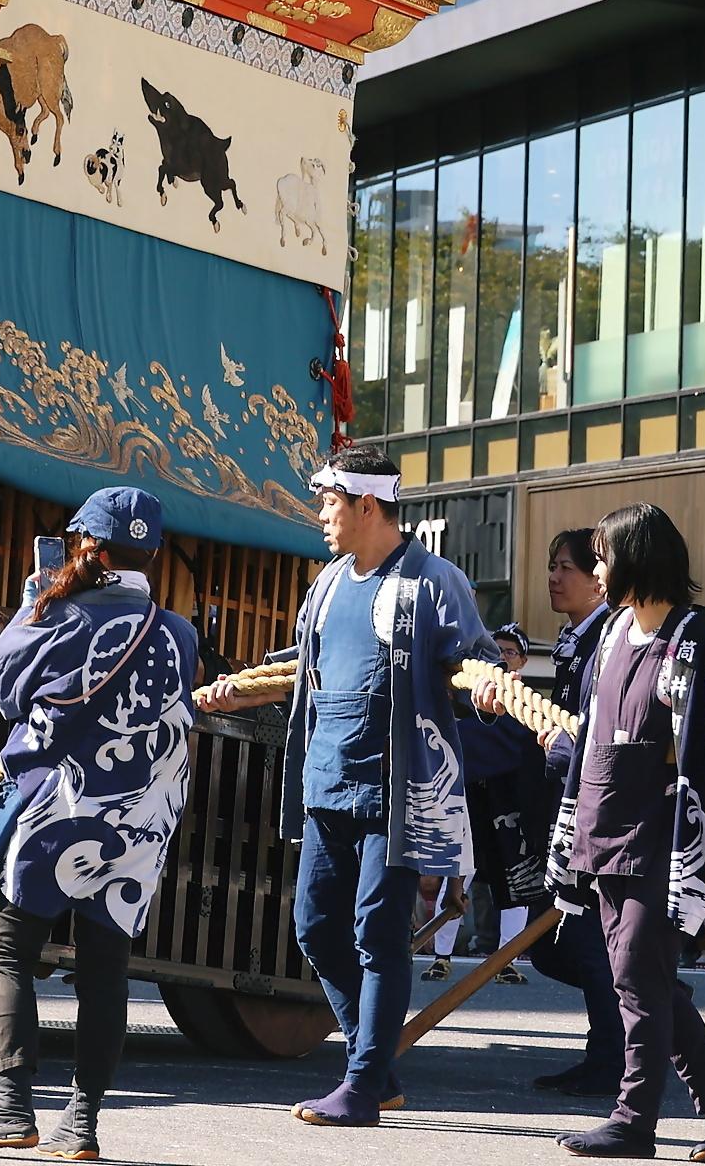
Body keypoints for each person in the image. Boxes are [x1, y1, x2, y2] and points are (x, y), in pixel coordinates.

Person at [196, 445, 494, 1128]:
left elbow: (477, 657)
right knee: (315, 929)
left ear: (366, 504)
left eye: (329, 502)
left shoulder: (432, 578)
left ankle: (362, 1084)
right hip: (327, 781)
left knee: (377, 936)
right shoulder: (328, 582)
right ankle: (377, 1067)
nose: (321, 515)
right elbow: (298, 662)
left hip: (398, 790)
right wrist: (240, 686)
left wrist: (487, 685)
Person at [0, 487, 199, 1160]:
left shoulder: (62, 620)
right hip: (143, 820)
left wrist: (35, 601)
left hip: (65, 809)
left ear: (88, 547)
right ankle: (80, 1125)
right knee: (106, 970)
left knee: (6, 950)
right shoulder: (179, 632)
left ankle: (11, 1108)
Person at [538, 502, 705, 1160]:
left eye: (604, 556)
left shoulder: (694, 643)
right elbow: (588, 732)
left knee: (639, 984)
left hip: (660, 841)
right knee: (646, 983)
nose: (597, 568)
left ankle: (633, 1120)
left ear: (635, 559)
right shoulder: (613, 635)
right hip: (603, 835)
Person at [525, 526, 627, 1097]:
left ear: (599, 579)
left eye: (568, 567)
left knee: (586, 944)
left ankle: (613, 1054)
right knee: (557, 945)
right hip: (564, 808)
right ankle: (622, 1038)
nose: (554, 577)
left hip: (595, 815)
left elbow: (598, 731)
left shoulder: (605, 640)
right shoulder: (573, 642)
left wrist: (563, 744)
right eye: (552, 565)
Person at [426, 624, 543, 986]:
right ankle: (441, 955)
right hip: (468, 793)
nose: (503, 657)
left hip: (507, 799)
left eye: (509, 652)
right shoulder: (465, 692)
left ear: (522, 660)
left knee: (516, 877)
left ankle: (507, 957)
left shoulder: (529, 703)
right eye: (497, 651)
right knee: (456, 872)